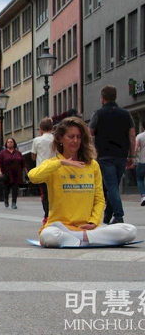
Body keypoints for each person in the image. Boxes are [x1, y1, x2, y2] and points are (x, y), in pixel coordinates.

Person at [28, 117, 137, 248]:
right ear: (60, 139)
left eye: (79, 137)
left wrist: (93, 222)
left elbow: (99, 199)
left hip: (88, 228)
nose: (75, 141)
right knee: (49, 236)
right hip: (60, 227)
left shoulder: (92, 165)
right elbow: (33, 176)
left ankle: (79, 238)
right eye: (71, 136)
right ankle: (87, 239)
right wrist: (61, 162)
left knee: (130, 231)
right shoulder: (53, 164)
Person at [89, 85, 136, 224]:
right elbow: (132, 136)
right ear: (115, 97)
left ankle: (118, 215)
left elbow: (88, 132)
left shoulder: (98, 113)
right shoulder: (126, 114)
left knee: (111, 186)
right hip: (121, 155)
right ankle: (107, 215)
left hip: (104, 155)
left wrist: (90, 151)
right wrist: (131, 156)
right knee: (113, 185)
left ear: (102, 98)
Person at [31, 117, 54, 224]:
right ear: (52, 128)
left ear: (40, 129)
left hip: (41, 170)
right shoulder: (56, 139)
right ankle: (54, 214)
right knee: (54, 193)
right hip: (54, 169)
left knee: (44, 194)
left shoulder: (37, 140)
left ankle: (46, 215)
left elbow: (33, 156)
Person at [0, 137, 28, 209]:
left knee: (15, 188)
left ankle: (14, 202)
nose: (10, 143)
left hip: (17, 173)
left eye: (11, 142)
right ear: (6, 144)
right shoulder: (2, 153)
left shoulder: (18, 153)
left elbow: (23, 164)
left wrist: (27, 172)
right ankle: (6, 199)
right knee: (6, 188)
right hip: (6, 173)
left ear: (14, 143)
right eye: (8, 142)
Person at [135, 123, 145, 206]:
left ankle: (143, 196)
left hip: (142, 161)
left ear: (142, 127)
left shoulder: (140, 136)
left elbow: (136, 148)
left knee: (140, 179)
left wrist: (132, 158)